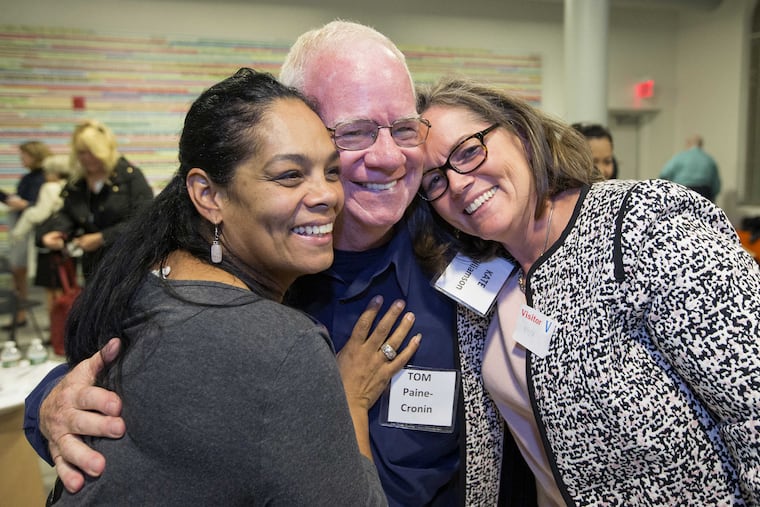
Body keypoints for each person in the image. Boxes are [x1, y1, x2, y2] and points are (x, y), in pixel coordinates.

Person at [25, 21, 533, 507]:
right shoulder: (237, 272)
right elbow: (137, 358)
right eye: (354, 132)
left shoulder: (464, 242)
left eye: (403, 129)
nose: (387, 158)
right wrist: (51, 404)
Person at [46, 67, 422, 505]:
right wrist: (351, 398)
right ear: (208, 195)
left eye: (332, 171)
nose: (327, 195)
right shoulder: (283, 344)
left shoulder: (145, 279)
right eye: (289, 176)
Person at [412, 77, 760, 505]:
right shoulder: (486, 269)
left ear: (521, 133)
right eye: (434, 181)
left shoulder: (642, 221)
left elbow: (752, 402)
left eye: (468, 151)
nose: (458, 183)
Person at [39, 119, 154, 280]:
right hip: (93, 267)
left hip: (127, 264)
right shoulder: (78, 184)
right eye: (81, 152)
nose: (86, 158)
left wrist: (103, 238)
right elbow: (68, 213)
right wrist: (57, 231)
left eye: (91, 151)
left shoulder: (130, 177)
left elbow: (146, 219)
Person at [10, 154, 72, 318]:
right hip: (66, 243)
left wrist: (19, 229)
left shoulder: (49, 188)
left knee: (51, 290)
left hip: (48, 246)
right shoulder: (72, 186)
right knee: (66, 287)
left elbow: (39, 214)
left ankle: (55, 327)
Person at [1, 140, 50, 329]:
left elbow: (37, 206)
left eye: (24, 155)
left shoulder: (42, 179)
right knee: (17, 272)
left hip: (32, 232)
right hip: (21, 229)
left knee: (26, 272)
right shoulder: (28, 178)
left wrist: (19, 203)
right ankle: (19, 313)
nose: (21, 158)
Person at [659, 134, 721, 202]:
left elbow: (664, 174)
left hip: (682, 192)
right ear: (701, 145)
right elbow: (716, 186)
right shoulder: (709, 160)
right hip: (703, 194)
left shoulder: (679, 157)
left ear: (688, 143)